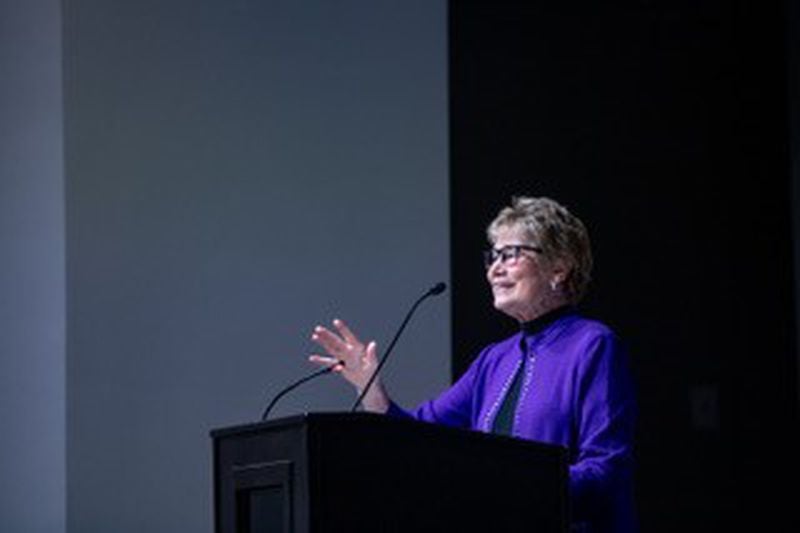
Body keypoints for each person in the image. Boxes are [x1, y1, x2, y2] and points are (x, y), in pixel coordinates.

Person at [309, 196, 637, 532]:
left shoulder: (592, 345)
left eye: (511, 254)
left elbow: (606, 470)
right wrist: (372, 392)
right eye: (493, 256)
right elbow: (420, 438)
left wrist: (507, 488)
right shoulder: (494, 360)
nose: (495, 268)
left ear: (559, 267)